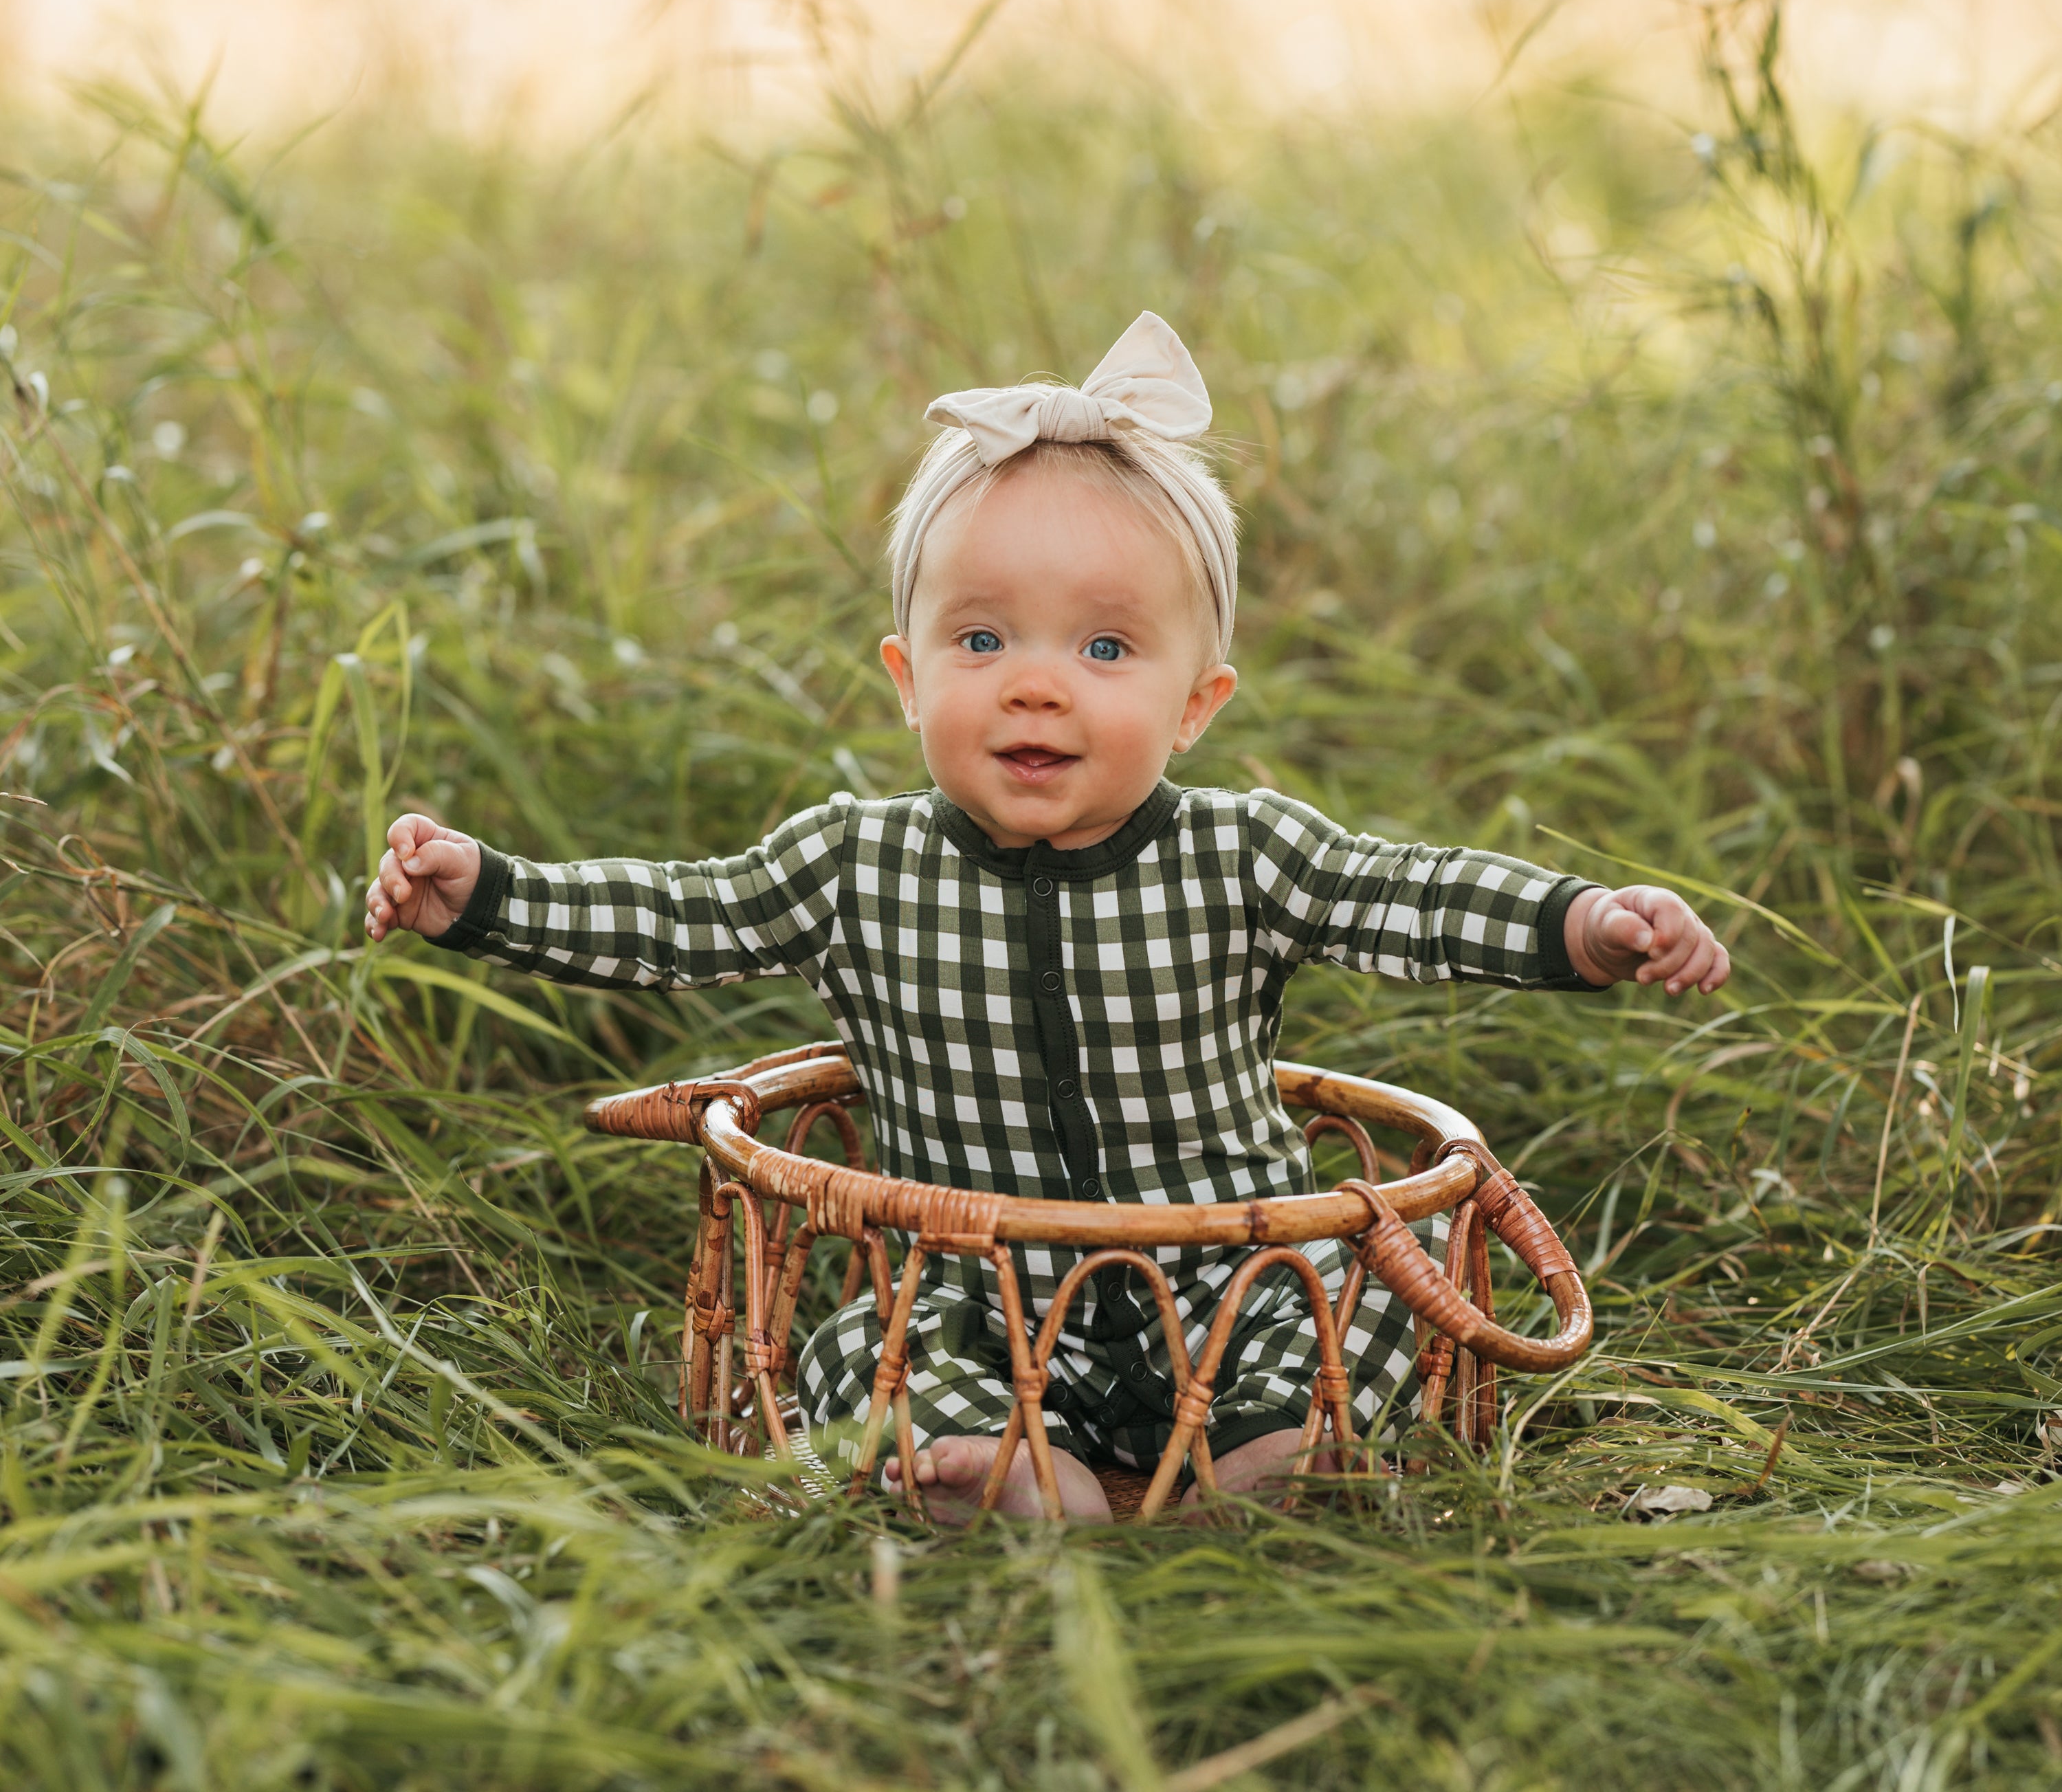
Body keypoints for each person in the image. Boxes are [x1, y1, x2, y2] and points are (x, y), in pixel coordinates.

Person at [364, 311, 1729, 1520]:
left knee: (1370, 1301)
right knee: (874, 1350)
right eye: (981, 641)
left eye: (1104, 649)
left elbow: (1410, 894)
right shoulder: (857, 862)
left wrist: (1584, 923)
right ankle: (1032, 1475)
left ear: (1198, 703)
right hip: (982, 1290)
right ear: (907, 681)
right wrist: (486, 894)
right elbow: (682, 919)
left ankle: (1265, 1460)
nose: (1035, 687)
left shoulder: (1240, 851)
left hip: (1232, 1265)